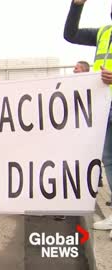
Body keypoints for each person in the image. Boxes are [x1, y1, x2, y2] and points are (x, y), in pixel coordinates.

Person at [64, 0, 112, 235]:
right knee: (109, 160)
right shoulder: (104, 32)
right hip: (104, 106)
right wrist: (76, 6)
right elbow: (70, 34)